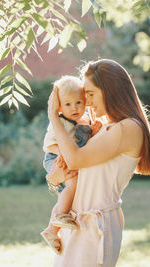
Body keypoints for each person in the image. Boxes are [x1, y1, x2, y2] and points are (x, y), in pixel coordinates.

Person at [46, 59, 150, 267]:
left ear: (110, 90)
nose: (86, 102)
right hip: (76, 222)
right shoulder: (106, 128)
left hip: (95, 228)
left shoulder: (127, 128)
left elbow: (75, 159)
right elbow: (72, 167)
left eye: (90, 94)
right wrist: (54, 179)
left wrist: (54, 117)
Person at [40, 75, 102, 255]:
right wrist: (62, 154)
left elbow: (85, 146)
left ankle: (52, 230)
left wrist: (94, 133)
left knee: (67, 197)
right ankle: (61, 216)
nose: (74, 108)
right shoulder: (60, 123)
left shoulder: (84, 122)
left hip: (71, 159)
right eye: (68, 104)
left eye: (78, 102)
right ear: (59, 106)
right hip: (55, 158)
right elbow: (49, 145)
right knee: (72, 183)